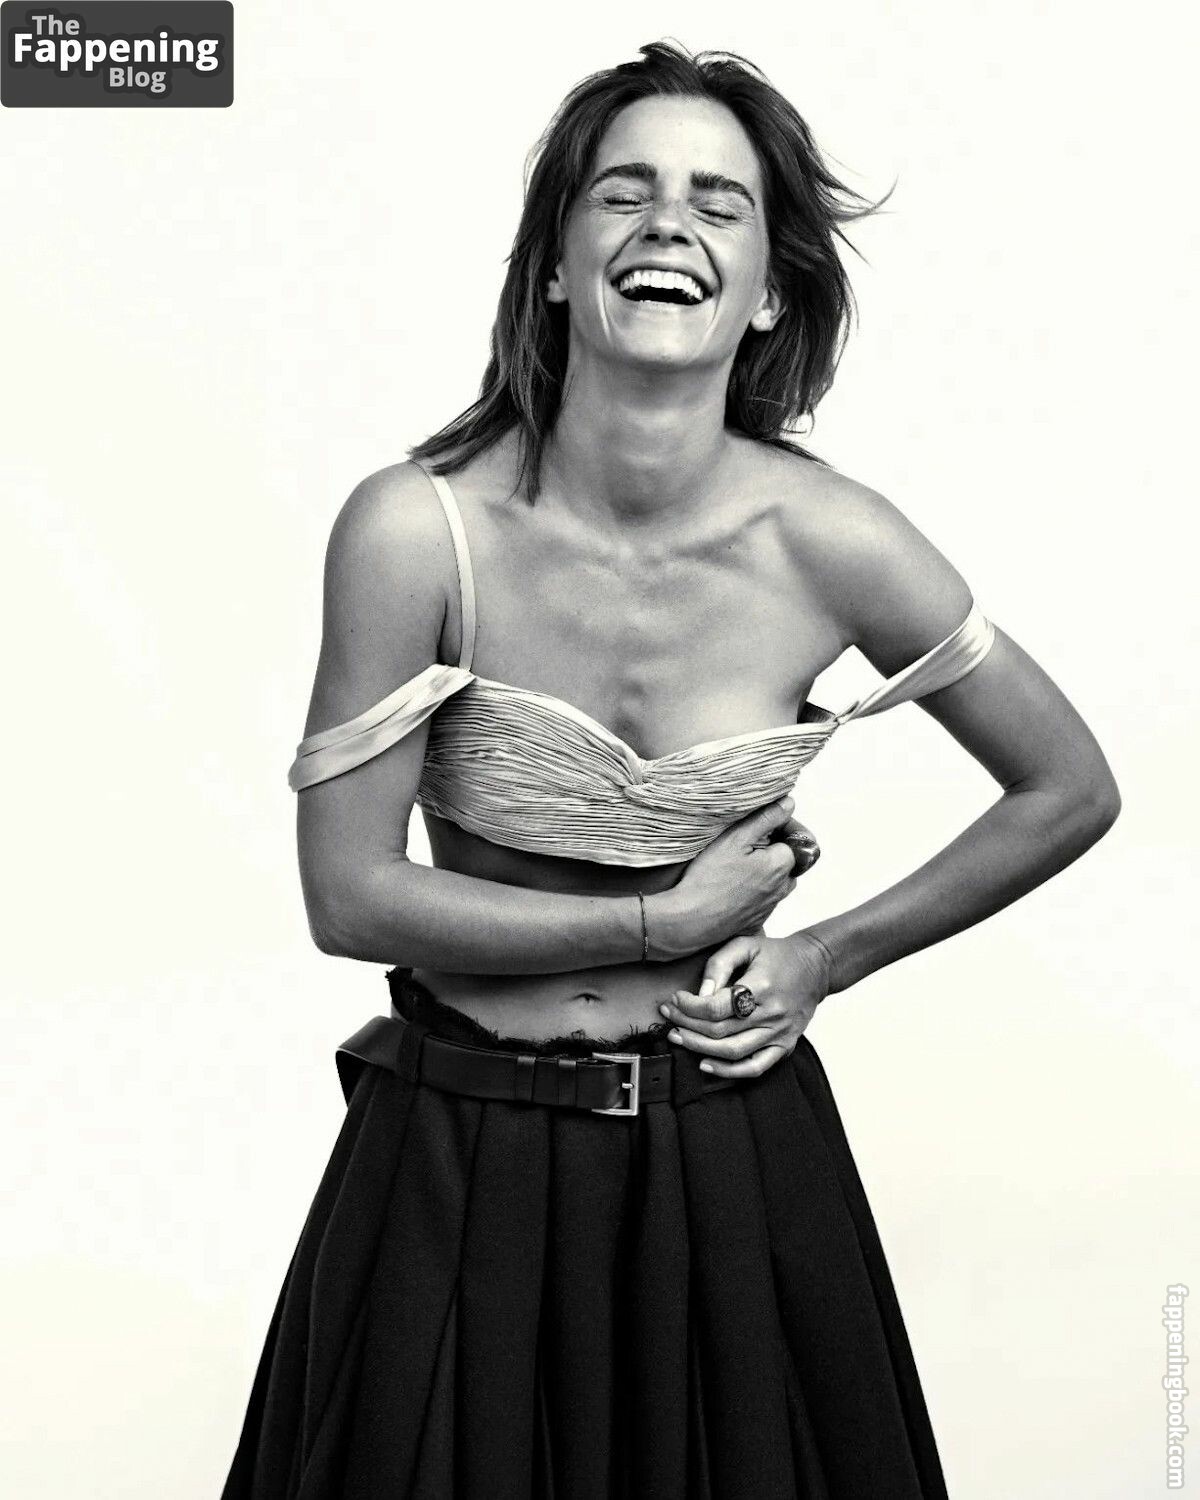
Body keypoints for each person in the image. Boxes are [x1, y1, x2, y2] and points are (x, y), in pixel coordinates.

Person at [221, 40, 1120, 1500]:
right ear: (555, 266)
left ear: (766, 290)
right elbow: (349, 897)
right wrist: (656, 925)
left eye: (719, 202)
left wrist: (823, 957)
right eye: (623, 192)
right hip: (453, 1159)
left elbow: (1068, 787)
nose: (669, 224)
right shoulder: (413, 530)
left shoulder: (834, 540)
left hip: (730, 1167)